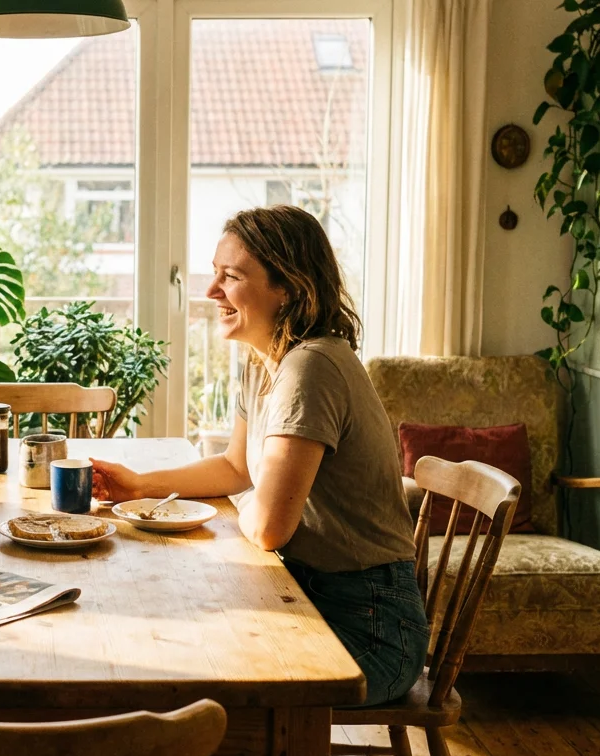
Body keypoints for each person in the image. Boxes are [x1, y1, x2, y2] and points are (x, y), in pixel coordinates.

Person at [91, 205, 428, 707]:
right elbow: (235, 468)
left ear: (288, 286)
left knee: (189, 686)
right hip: (309, 598)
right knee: (168, 650)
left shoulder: (311, 367)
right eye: (215, 273)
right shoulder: (265, 360)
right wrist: (140, 486)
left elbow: (269, 528)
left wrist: (246, 507)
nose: (211, 291)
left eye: (231, 276)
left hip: (369, 627)